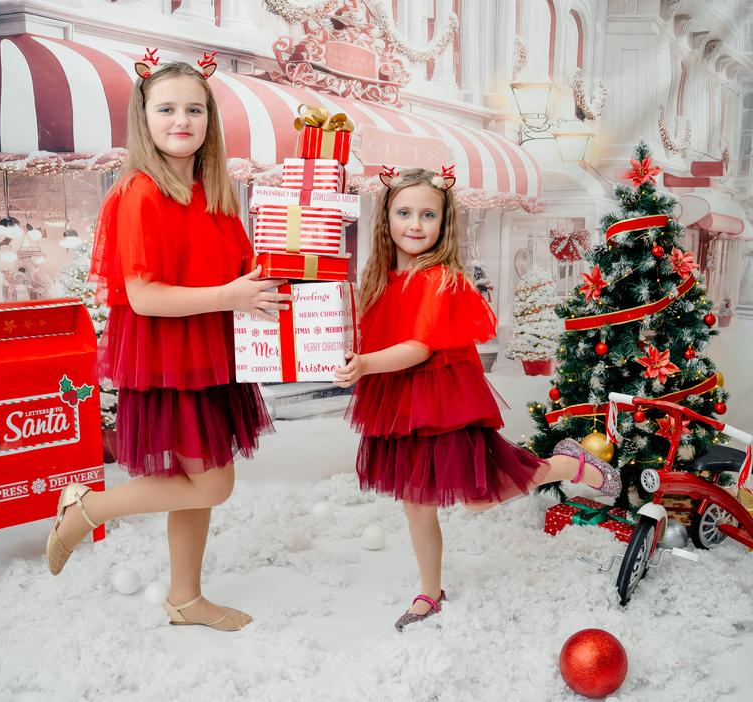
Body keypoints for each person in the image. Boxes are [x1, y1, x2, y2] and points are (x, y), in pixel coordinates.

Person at [46, 58, 291, 632]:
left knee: (196, 487)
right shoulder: (139, 192)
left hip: (209, 351)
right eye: (167, 108)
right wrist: (230, 294)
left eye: (194, 109)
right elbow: (144, 296)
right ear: (144, 117)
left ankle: (185, 598)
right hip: (168, 356)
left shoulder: (216, 193)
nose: (182, 120)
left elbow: (239, 274)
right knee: (213, 482)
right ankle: (86, 507)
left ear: (209, 120)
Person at [333, 167, 620, 632]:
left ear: (444, 222)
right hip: (400, 402)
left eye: (428, 215)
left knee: (478, 499)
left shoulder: (439, 279)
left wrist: (365, 364)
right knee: (415, 500)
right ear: (385, 217)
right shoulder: (381, 278)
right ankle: (430, 591)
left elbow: (419, 348)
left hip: (442, 402)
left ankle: (569, 465)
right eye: (404, 213)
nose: (415, 224)